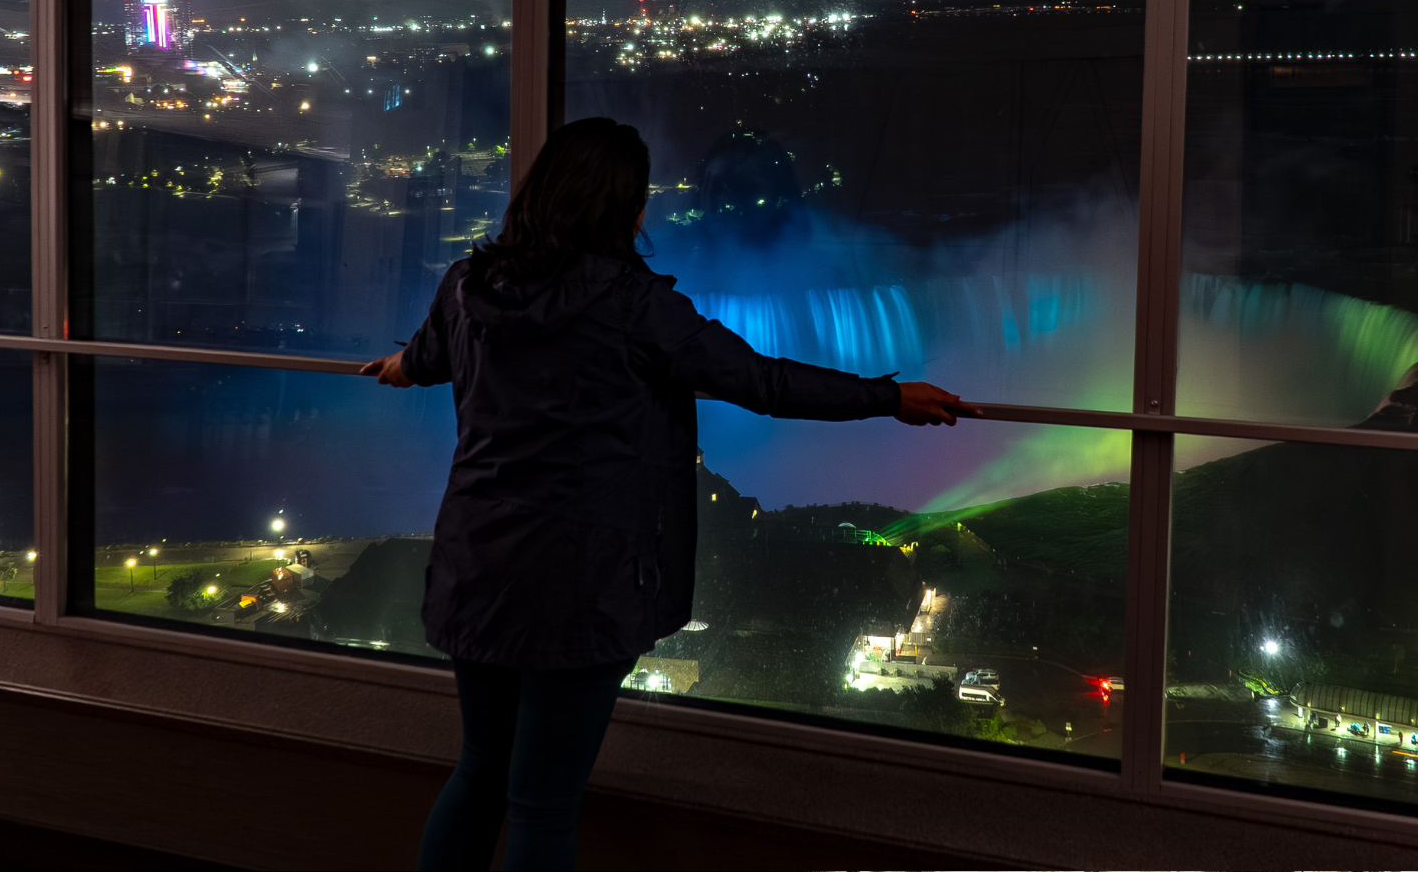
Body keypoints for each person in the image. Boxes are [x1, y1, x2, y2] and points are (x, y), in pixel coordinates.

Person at [359, 116, 975, 871]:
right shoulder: (634, 305)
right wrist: (887, 396)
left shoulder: (466, 287)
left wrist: (396, 365)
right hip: (581, 584)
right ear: (621, 207)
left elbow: (424, 358)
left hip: (476, 568)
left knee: (480, 770)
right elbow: (762, 382)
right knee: (542, 803)